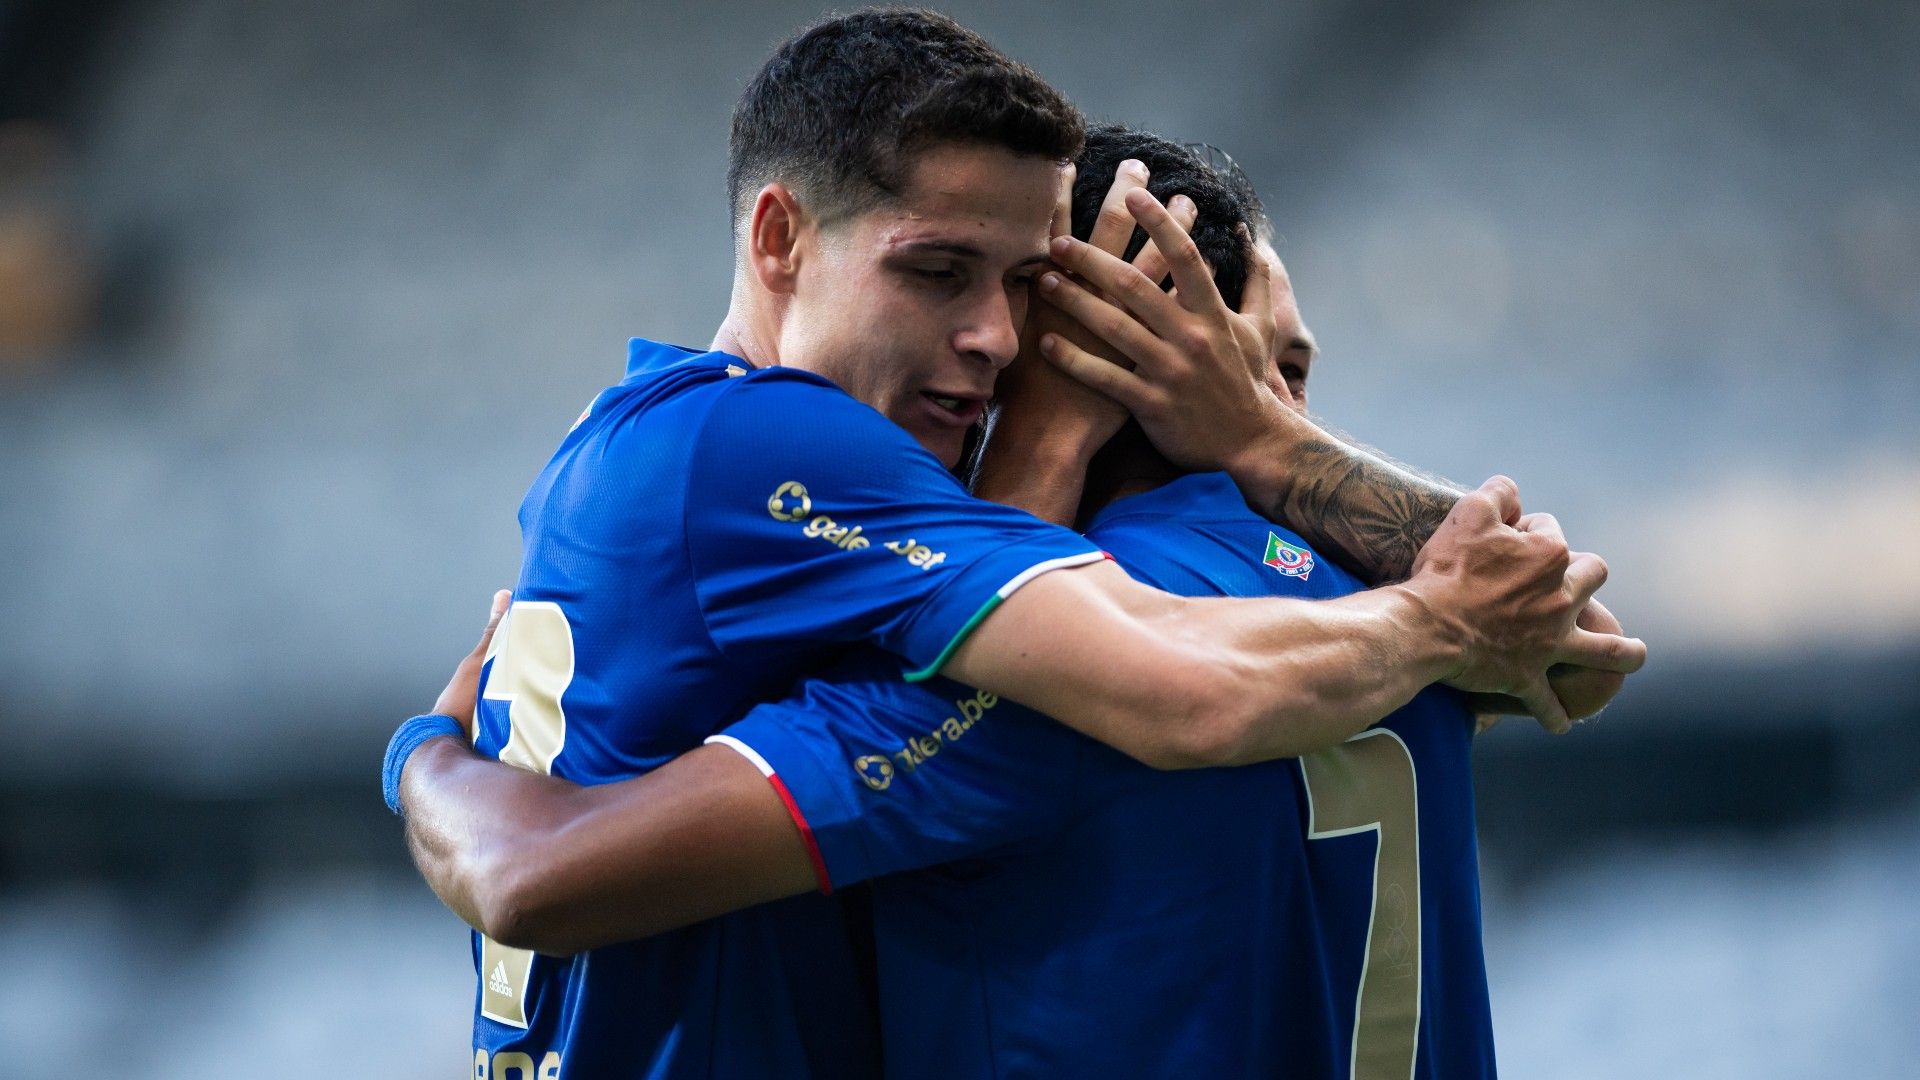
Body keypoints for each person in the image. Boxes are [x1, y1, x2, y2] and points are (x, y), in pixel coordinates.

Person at [392, 9, 1641, 1076]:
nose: (987, 336)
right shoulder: (1363, 610)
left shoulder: (666, 461)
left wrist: (425, 754)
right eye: (939, 273)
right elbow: (1575, 650)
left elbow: (527, 874)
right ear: (779, 239)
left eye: (1013, 290)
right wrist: (1308, 490)